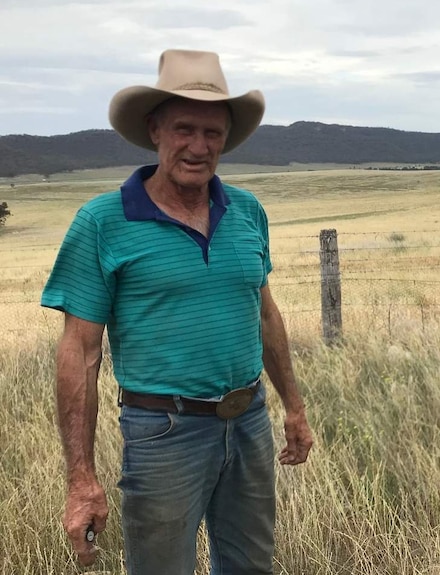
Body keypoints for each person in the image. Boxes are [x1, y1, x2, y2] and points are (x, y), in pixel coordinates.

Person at [41, 49, 314, 574]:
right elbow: (80, 351)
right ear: (155, 131)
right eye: (184, 129)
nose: (199, 146)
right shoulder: (103, 221)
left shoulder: (247, 211)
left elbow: (265, 315)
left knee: (252, 566)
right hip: (163, 432)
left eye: (213, 133)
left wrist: (294, 408)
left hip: (249, 419)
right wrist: (80, 480)